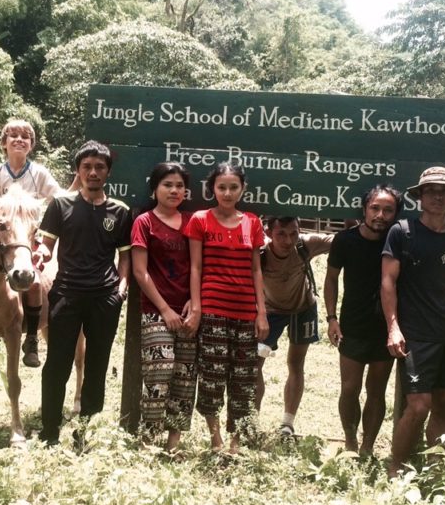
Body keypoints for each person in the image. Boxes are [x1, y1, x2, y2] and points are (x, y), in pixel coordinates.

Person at [381, 166, 445, 477]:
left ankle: (435, 472)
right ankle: (396, 468)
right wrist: (393, 327)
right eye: (432, 190)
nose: (439, 196)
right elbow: (387, 282)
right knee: (419, 405)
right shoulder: (402, 233)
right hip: (417, 335)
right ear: (420, 196)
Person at [34, 140, 131, 446]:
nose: (93, 172)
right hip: (66, 294)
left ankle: (84, 433)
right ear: (77, 170)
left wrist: (122, 287)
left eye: (99, 167)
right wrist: (40, 255)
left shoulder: (120, 211)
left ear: (108, 172)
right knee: (57, 364)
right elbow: (46, 245)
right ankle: (49, 431)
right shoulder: (60, 205)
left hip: (105, 298)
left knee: (97, 364)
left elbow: (125, 256)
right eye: (86, 167)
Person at [186, 162, 267, 454]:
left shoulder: (253, 223)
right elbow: (195, 267)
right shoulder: (200, 220)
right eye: (222, 187)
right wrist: (197, 307)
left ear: (243, 189)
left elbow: (256, 270)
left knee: (243, 378)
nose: (228, 192)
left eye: (234, 187)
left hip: (245, 312)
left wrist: (262, 312)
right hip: (213, 311)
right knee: (212, 375)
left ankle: (236, 442)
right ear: (212, 189)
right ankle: (215, 438)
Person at [0, 119, 64, 368]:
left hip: (28, 237)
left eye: (25, 136)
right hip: (3, 236)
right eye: (13, 135)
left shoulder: (38, 173)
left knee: (35, 282)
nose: (19, 139)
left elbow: (58, 199)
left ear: (31, 144)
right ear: (3, 143)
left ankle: (30, 339)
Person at [323, 185, 400, 456]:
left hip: (385, 329)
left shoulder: (399, 242)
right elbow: (331, 279)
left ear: (395, 214)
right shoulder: (345, 240)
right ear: (365, 209)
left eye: (388, 210)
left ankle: (367, 447)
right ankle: (351, 441)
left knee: (376, 392)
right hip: (352, 326)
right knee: (350, 388)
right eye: (375, 208)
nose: (380, 215)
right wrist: (332, 318)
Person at [130, 162, 196, 453]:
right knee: (159, 372)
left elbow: (198, 267)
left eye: (179, 185)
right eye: (168, 184)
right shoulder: (144, 222)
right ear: (155, 188)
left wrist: (195, 304)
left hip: (189, 312)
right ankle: (148, 441)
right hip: (156, 310)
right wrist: (166, 310)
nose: (174, 190)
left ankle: (174, 444)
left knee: (185, 376)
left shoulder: (193, 221)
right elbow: (140, 272)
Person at [256, 215, 332, 437]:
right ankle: (251, 421)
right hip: (269, 312)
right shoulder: (259, 252)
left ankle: (287, 424)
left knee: (296, 363)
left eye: (293, 233)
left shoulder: (305, 245)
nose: (288, 240)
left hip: (303, 308)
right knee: (254, 365)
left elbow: (340, 241)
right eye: (281, 234)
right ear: (269, 233)